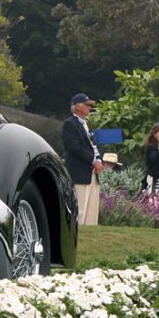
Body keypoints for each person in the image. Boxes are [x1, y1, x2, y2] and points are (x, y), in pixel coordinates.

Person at [62, 93, 103, 226]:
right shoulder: (70, 124)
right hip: (79, 171)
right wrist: (93, 160)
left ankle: (90, 232)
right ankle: (77, 232)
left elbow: (93, 145)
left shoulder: (86, 125)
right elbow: (74, 148)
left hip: (91, 172)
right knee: (80, 207)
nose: (89, 108)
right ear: (78, 106)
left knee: (91, 208)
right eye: (87, 105)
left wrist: (99, 160)